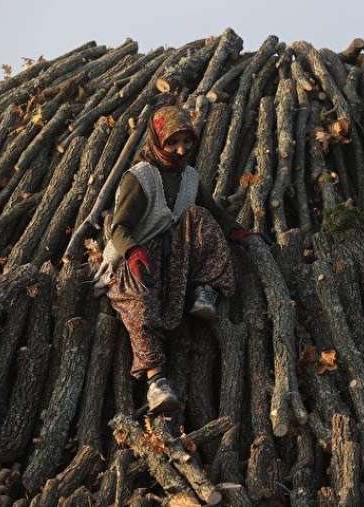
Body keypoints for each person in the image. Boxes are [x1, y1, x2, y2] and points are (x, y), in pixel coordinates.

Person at [93, 98, 255, 414]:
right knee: (138, 303)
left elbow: (212, 211)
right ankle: (156, 382)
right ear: (158, 141)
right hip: (137, 255)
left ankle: (204, 290)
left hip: (176, 254)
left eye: (186, 142)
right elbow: (119, 227)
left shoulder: (190, 177)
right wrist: (134, 251)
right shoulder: (139, 178)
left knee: (198, 215)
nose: (181, 150)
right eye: (173, 143)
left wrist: (237, 232)